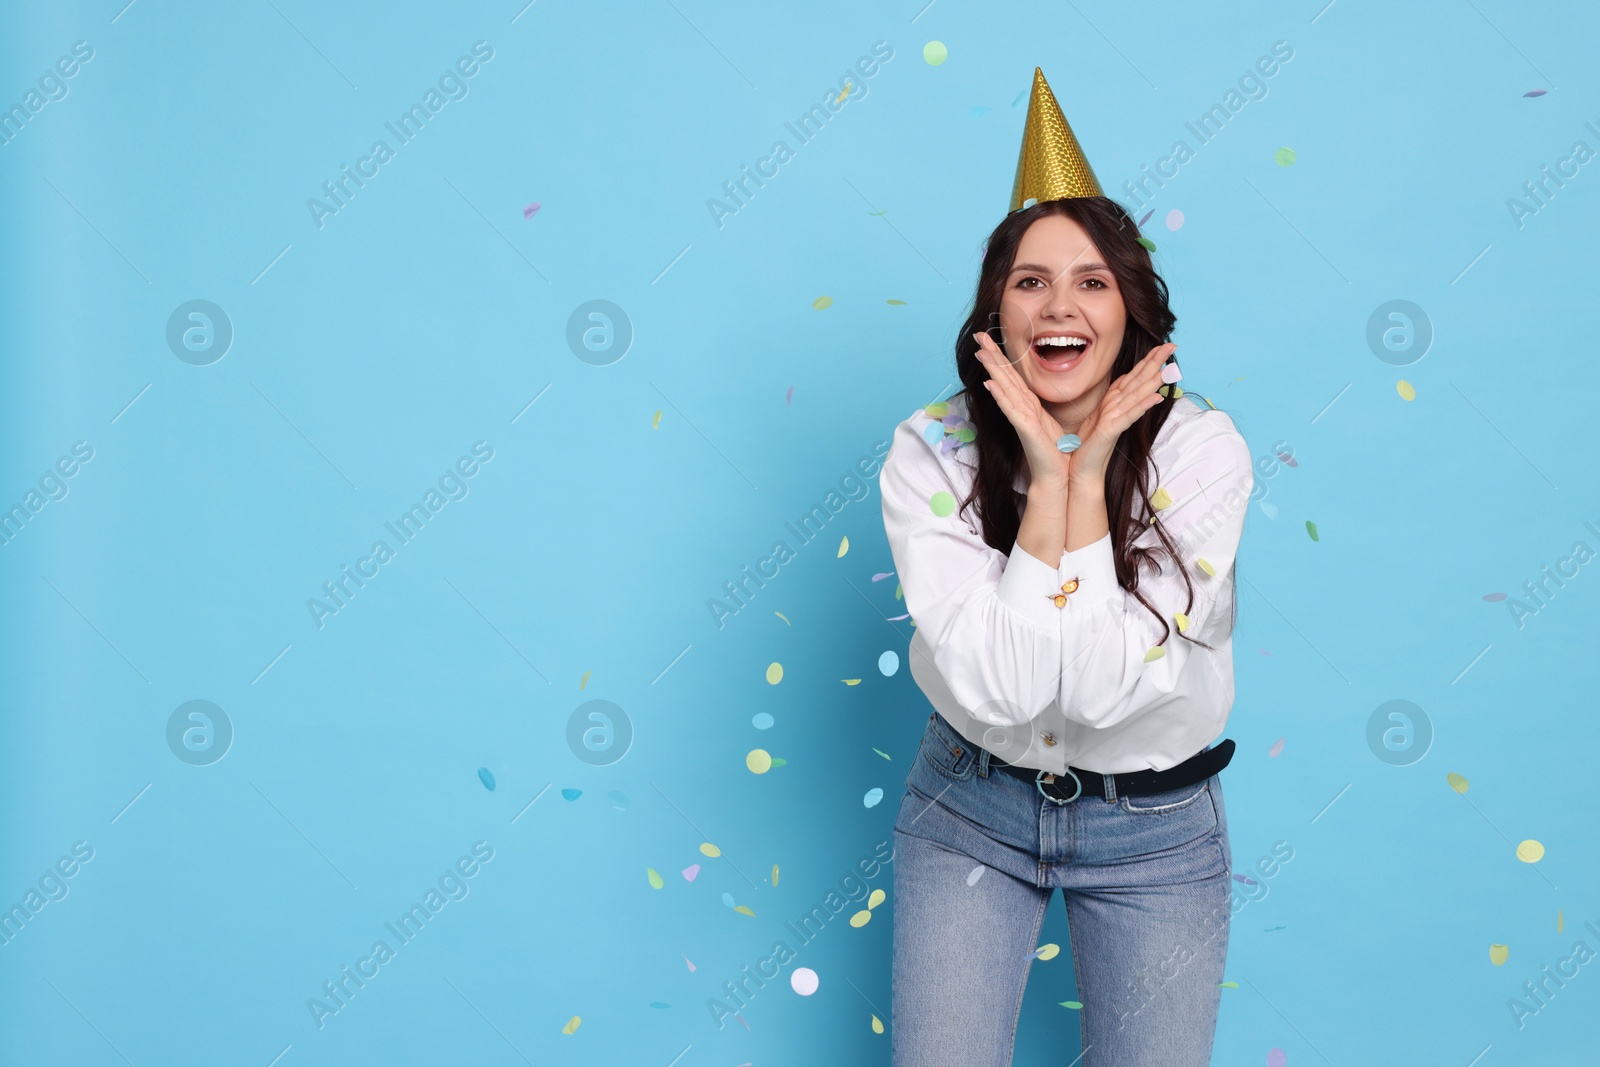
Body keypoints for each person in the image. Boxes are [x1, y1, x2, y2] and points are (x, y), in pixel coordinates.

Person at [880, 69, 1252, 1067]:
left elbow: (1093, 692)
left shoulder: (1202, 454)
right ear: (993, 313)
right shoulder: (932, 450)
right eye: (1029, 278)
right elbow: (1002, 686)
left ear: (1131, 311)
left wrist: (1080, 481)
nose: (1060, 303)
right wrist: (1051, 478)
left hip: (1156, 826)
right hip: (970, 803)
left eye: (1092, 279)